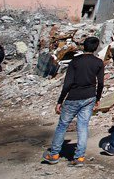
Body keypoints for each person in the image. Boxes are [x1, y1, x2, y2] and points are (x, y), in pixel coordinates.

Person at [43, 37, 104, 166]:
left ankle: (54, 154)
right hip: (89, 97)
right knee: (83, 126)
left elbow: (68, 83)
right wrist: (97, 99)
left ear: (84, 46)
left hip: (73, 97)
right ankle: (79, 157)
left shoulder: (75, 61)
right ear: (96, 48)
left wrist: (60, 101)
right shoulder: (98, 62)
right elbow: (101, 83)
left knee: (62, 126)